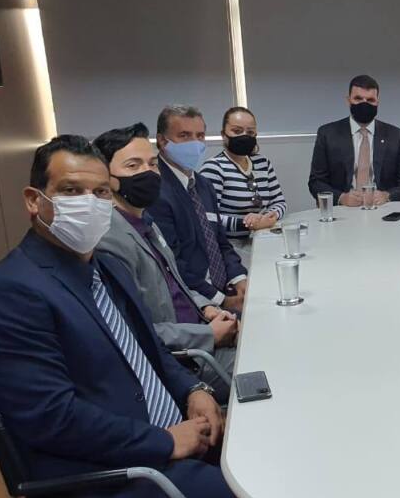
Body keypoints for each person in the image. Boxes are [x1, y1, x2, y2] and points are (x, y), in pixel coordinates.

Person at [0, 135, 326, 498]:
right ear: (35, 201)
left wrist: (195, 389)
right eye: (71, 191)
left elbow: (152, 352)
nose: (89, 203)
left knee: (297, 450)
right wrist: (165, 441)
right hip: (120, 483)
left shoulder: (101, 267)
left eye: (99, 192)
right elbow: (53, 420)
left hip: (176, 436)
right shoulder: (9, 296)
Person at [94, 123, 238, 400]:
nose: (148, 172)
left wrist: (207, 307)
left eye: (152, 164)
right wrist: (208, 334)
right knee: (273, 367)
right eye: (133, 165)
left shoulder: (145, 221)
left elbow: (177, 285)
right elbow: (133, 330)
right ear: (106, 178)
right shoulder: (109, 239)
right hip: (187, 360)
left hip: (201, 331)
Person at [147, 106, 248, 313]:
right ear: (162, 141)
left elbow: (220, 241)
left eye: (200, 136)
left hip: (225, 287)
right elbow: (171, 263)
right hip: (195, 299)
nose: (195, 143)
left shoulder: (203, 185)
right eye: (184, 136)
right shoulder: (155, 191)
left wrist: (239, 278)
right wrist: (221, 300)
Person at [308, 74, 400, 206]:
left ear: (377, 102)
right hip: (343, 210)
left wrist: (387, 195)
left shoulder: (395, 136)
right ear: (348, 100)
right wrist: (341, 198)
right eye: (358, 99)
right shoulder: (328, 134)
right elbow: (316, 182)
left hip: (382, 209)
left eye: (370, 100)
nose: (364, 104)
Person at [200, 107, 287, 254]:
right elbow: (208, 216)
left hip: (263, 237)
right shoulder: (214, 168)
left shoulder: (263, 163)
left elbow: (279, 202)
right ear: (223, 134)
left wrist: (267, 217)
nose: (244, 136)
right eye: (237, 131)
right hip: (229, 248)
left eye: (250, 132)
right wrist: (247, 223)